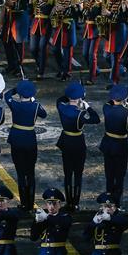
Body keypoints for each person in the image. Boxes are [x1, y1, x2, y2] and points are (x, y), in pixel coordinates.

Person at [55, 82, 100, 211]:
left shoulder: (61, 107)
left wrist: (71, 96)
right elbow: (96, 119)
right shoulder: (80, 114)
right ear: (80, 98)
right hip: (78, 143)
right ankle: (75, 203)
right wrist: (87, 107)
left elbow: (60, 99)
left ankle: (69, 202)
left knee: (68, 174)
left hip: (66, 142)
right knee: (78, 175)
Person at [3, 80, 47, 211]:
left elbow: (7, 95)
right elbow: (44, 114)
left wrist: (17, 88)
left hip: (17, 140)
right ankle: (30, 203)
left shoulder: (14, 104)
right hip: (30, 140)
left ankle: (23, 203)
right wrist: (33, 99)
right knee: (30, 172)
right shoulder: (35, 106)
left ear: (20, 94)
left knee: (20, 173)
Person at [99, 84, 128, 203]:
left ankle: (109, 199)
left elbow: (109, 102)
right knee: (120, 175)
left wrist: (121, 98)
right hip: (121, 145)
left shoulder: (106, 108)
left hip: (108, 144)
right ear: (124, 98)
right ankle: (117, 202)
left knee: (109, 173)